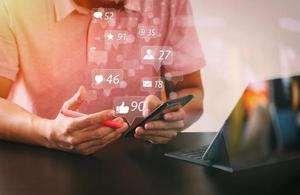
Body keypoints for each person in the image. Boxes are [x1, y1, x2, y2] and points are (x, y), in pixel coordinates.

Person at [0, 0, 205, 155]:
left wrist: (173, 118)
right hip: (36, 156)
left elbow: (191, 90)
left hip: (138, 160)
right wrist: (48, 132)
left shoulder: (169, 3)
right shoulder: (15, 5)